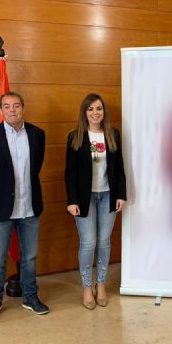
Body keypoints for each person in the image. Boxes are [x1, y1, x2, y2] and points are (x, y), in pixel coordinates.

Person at [0, 91, 49, 323]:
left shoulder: (37, 134)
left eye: (16, 105)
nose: (12, 110)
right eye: (7, 106)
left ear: (23, 108)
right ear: (0, 110)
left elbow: (36, 167)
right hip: (0, 209)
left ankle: (30, 297)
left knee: (30, 257)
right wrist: (0, 191)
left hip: (29, 206)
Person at [65, 93, 126, 310]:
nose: (95, 112)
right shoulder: (75, 136)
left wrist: (121, 195)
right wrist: (72, 200)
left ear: (104, 112)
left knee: (104, 241)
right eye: (90, 109)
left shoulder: (112, 134)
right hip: (84, 198)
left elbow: (119, 167)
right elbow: (70, 172)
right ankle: (86, 286)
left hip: (108, 195)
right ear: (84, 112)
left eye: (99, 108)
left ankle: (101, 284)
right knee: (88, 242)